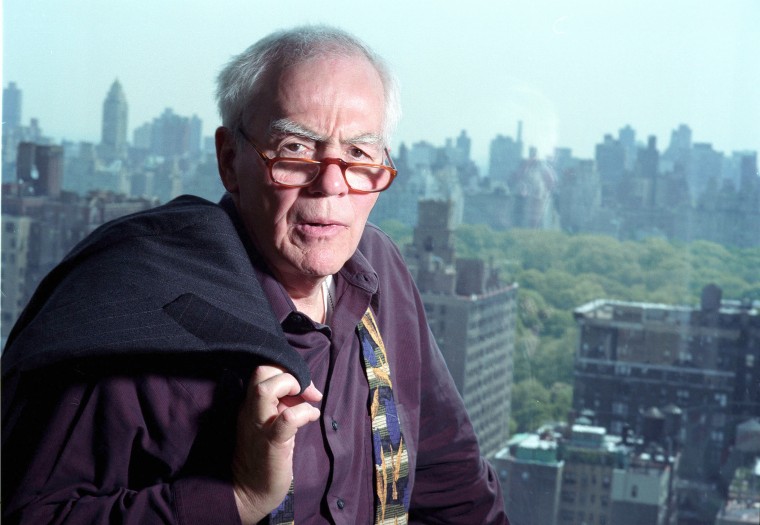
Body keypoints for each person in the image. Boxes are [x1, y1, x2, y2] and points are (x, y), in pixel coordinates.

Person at [2, 26, 510, 524]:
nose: (330, 185)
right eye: (296, 149)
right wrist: (235, 497)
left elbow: (454, 482)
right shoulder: (133, 310)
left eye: (358, 153)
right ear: (229, 160)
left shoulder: (384, 272)